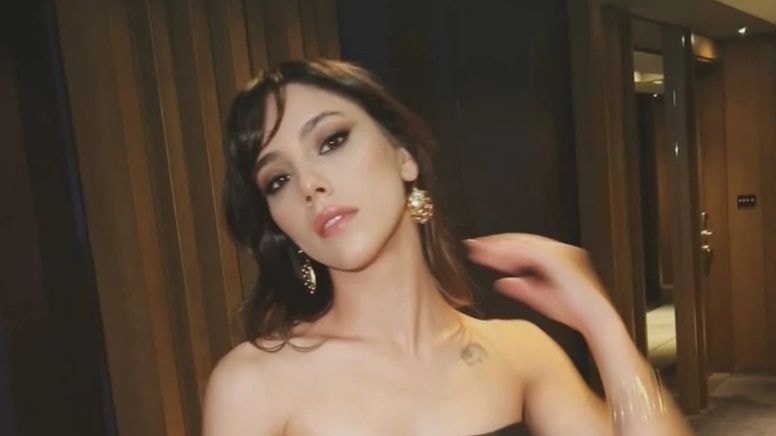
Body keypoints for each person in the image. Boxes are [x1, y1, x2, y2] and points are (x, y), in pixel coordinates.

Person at [203, 59, 691, 436]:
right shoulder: (253, 384)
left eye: (331, 141)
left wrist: (600, 319)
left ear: (404, 158)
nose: (308, 184)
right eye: (278, 179)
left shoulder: (518, 353)